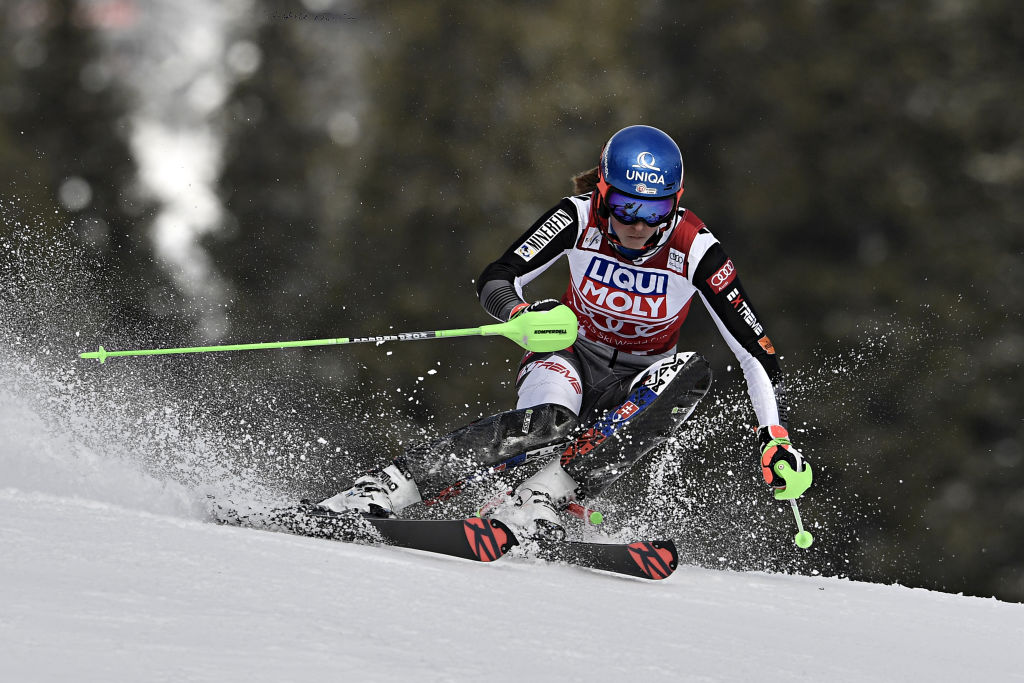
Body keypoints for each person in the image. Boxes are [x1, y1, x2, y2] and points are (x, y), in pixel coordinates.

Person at [318, 124, 810, 540]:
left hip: (635, 384)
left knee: (690, 373)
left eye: (654, 210)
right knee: (550, 421)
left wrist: (774, 438)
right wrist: (517, 315)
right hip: (570, 356)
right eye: (623, 205)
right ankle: (382, 488)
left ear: (675, 204)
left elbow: (755, 350)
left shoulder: (697, 247)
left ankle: (542, 496)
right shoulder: (577, 216)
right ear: (602, 192)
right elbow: (498, 275)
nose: (637, 225)